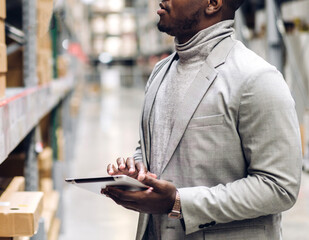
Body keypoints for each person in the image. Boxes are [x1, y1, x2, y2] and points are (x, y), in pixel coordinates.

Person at [101, 0, 302, 239]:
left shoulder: (256, 78)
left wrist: (178, 202)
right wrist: (138, 169)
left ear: (213, 3)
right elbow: (157, 147)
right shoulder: (160, 72)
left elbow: (279, 187)